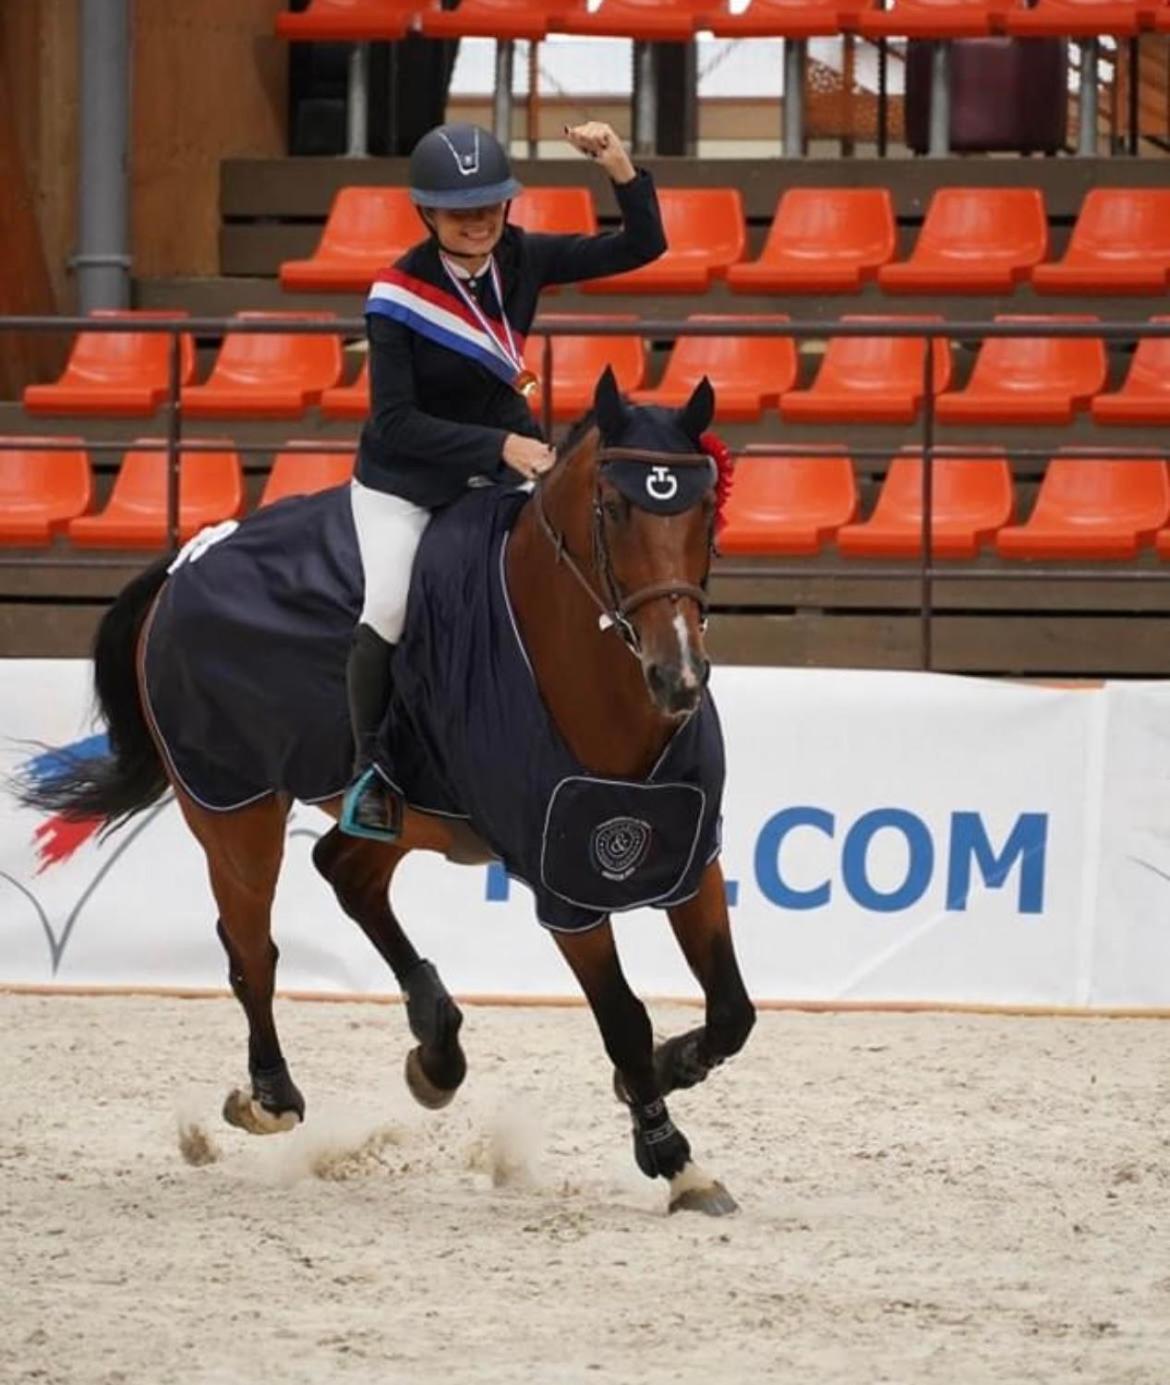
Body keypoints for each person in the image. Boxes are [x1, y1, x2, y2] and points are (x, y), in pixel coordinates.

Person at [341, 120, 668, 840]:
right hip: (406, 480)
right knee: (390, 607)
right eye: (461, 212)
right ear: (427, 214)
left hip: (502, 460)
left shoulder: (522, 258)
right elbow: (395, 422)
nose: (480, 221)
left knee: (564, 577)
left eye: (491, 206)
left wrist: (618, 165)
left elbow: (644, 246)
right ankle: (372, 773)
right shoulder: (395, 296)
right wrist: (498, 446)